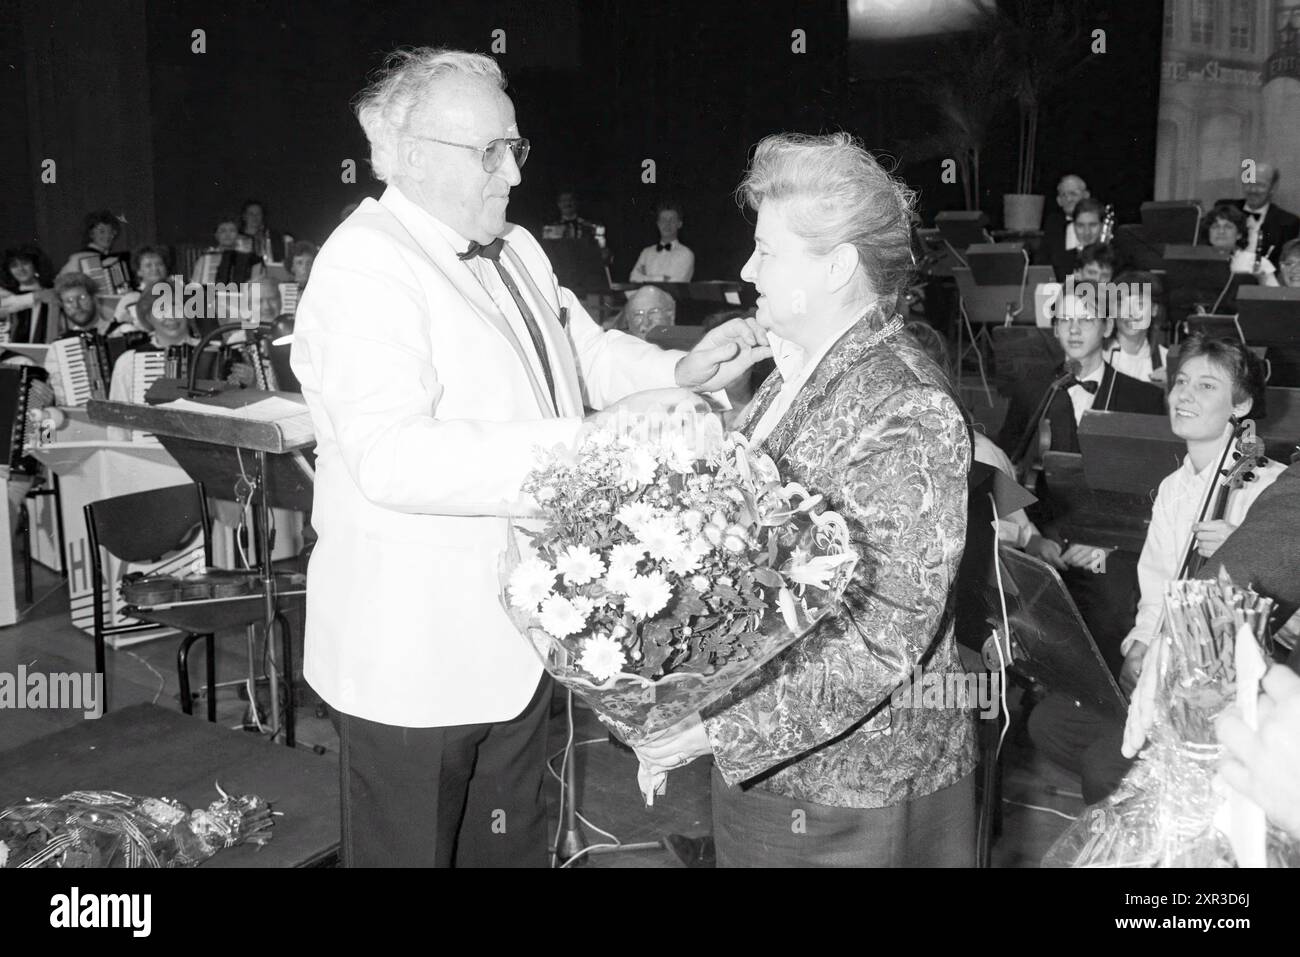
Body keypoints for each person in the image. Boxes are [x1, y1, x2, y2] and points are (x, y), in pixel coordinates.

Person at [289, 47, 769, 869]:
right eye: (488, 152)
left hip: (521, 639)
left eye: (515, 147)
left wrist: (675, 374)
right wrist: (598, 443)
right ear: (406, 156)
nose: (512, 171)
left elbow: (580, 355)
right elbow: (392, 458)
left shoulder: (515, 247)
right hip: (415, 659)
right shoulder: (364, 265)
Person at [633, 132, 977, 867]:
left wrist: (714, 727)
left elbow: (884, 638)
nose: (747, 267)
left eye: (768, 250)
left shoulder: (907, 407)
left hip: (857, 796)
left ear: (837, 266)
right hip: (780, 777)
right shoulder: (789, 374)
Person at [1034, 337, 1283, 802]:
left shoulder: (1268, 486)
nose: (1184, 395)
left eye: (1207, 385)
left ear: (1241, 405)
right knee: (1050, 723)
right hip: (1171, 672)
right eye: (1181, 382)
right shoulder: (1174, 488)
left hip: (1229, 692)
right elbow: (1156, 591)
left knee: (1104, 765)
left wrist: (1247, 551)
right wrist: (1141, 644)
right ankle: (1170, 796)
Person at [1228, 161, 1300, 271]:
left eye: (1260, 185)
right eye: (1248, 184)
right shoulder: (1226, 210)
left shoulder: (1288, 222)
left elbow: (1285, 264)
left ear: (1273, 188)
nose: (1252, 190)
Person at [1105, 270, 1168, 384]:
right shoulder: (1097, 357)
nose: (1131, 313)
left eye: (1139, 304)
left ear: (1154, 309)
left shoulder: (1166, 362)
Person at [1201, 202, 1279, 285]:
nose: (1221, 231)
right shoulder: (1198, 261)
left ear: (1239, 234)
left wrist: (1261, 279)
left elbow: (1275, 296)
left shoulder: (1257, 263)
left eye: (1228, 227)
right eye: (1215, 226)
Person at [1036, 174, 1090, 280]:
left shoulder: (1100, 223)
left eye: (1073, 194)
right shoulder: (1053, 225)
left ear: (1086, 196)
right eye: (1063, 195)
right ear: (1058, 201)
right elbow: (1042, 262)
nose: (1068, 199)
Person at [1, 244, 57, 342]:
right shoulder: (6, 295)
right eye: (14, 266)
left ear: (35, 265)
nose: (21, 269)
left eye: (25, 263)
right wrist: (37, 296)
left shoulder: (53, 290)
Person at [629, 201, 694, 282]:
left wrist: (645, 278)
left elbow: (676, 283)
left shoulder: (686, 254)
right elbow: (633, 278)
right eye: (663, 220)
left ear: (679, 224)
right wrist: (662, 278)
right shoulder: (646, 252)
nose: (667, 224)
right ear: (658, 224)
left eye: (672, 220)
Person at [112, 246, 171, 332]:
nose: (155, 269)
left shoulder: (177, 292)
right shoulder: (130, 299)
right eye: (148, 266)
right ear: (139, 271)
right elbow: (115, 331)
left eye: (160, 264)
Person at [240, 200, 292, 265]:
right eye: (251, 214)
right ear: (244, 216)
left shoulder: (271, 237)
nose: (255, 217)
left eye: (258, 213)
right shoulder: (237, 238)